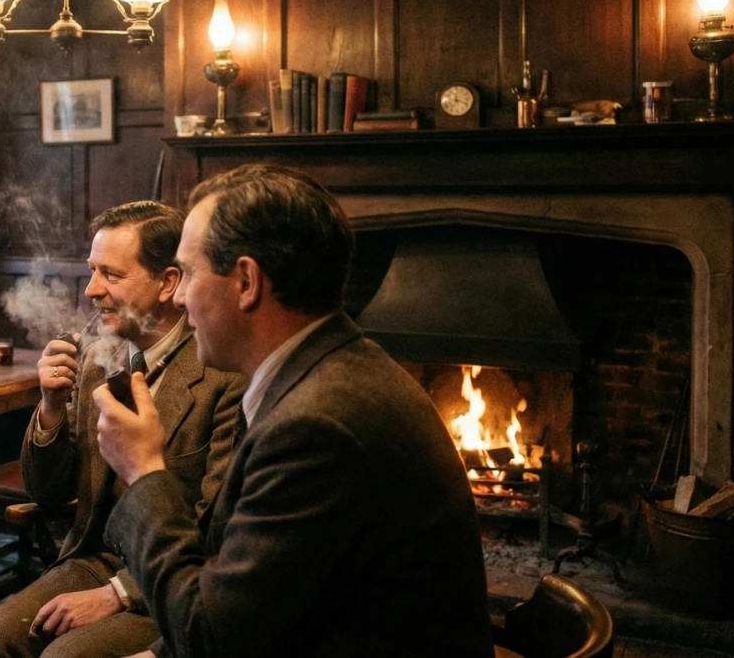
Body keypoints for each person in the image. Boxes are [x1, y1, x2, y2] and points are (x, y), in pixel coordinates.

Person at [93, 164, 493, 657]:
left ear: (246, 282)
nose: (178, 295)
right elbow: (245, 590)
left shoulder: (316, 424)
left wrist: (144, 472)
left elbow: (214, 641)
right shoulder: (316, 372)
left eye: (189, 273)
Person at [0, 202, 244, 658]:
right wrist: (52, 407)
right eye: (93, 271)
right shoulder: (99, 360)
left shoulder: (222, 375)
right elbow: (49, 494)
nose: (92, 290)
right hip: (94, 559)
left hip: (172, 577)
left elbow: (216, 531)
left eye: (112, 276)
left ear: (168, 283)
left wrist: (120, 592)